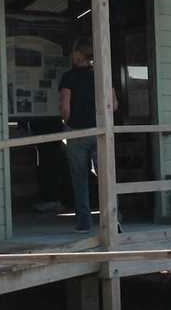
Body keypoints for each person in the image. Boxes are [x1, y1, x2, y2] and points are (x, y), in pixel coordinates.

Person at [58, 40, 117, 233]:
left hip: (77, 131)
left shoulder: (68, 77)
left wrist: (67, 122)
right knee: (106, 177)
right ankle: (113, 222)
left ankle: (84, 223)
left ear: (78, 56)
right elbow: (114, 104)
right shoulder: (102, 76)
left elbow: (65, 106)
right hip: (101, 130)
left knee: (80, 178)